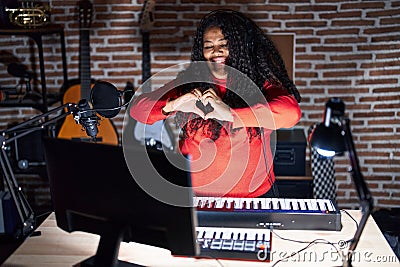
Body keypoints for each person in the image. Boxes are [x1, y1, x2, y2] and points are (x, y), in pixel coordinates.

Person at [130, 9, 301, 198]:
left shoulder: (260, 84)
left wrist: (229, 114)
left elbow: (291, 113)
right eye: (208, 46)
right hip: (197, 199)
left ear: (238, 47)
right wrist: (174, 105)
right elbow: (137, 110)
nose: (216, 52)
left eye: (224, 44)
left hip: (253, 199)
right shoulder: (189, 82)